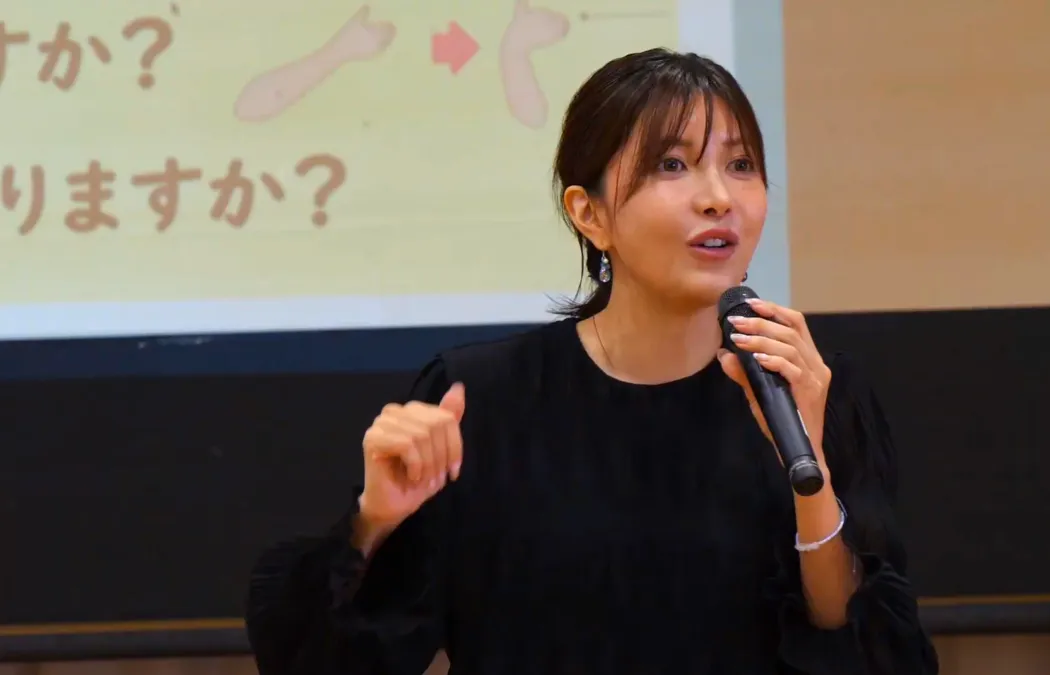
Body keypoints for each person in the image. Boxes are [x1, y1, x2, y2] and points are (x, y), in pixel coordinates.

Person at [245, 48, 939, 675]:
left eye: (740, 165)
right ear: (589, 213)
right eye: (672, 165)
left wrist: (811, 481)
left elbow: (879, 658)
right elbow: (323, 661)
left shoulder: (808, 389)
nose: (719, 198)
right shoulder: (483, 399)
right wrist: (374, 520)